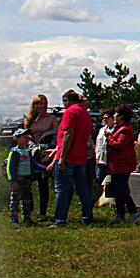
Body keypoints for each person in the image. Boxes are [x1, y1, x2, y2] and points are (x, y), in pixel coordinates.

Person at [50, 89, 95, 228]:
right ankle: (87, 217)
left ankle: (60, 220)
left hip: (68, 155)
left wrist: (62, 156)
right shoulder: (85, 113)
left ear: (67, 101)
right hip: (81, 155)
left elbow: (68, 133)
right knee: (82, 188)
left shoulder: (70, 112)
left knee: (62, 189)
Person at [23, 94, 59, 220]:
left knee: (43, 183)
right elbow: (26, 136)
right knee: (27, 181)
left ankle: (43, 213)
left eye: (42, 103)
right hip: (32, 153)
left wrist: (49, 149)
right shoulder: (29, 119)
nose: (39, 106)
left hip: (45, 153)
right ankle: (30, 209)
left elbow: (56, 135)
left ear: (46, 105)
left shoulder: (52, 119)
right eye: (37, 103)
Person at [106, 105, 140, 223]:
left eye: (116, 114)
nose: (114, 116)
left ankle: (133, 212)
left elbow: (119, 145)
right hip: (116, 165)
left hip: (123, 165)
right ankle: (120, 214)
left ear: (122, 117)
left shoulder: (125, 130)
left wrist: (109, 137)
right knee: (117, 190)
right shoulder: (118, 129)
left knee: (121, 189)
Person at [6, 130, 45, 226]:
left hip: (27, 178)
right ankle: (14, 219)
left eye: (28, 138)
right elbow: (10, 168)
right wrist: (12, 181)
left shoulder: (28, 152)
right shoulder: (14, 152)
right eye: (24, 137)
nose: (27, 140)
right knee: (15, 199)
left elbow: (33, 164)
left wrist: (45, 168)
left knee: (27, 199)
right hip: (18, 178)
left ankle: (27, 218)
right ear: (17, 139)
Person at [92, 109, 116, 205]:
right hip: (101, 161)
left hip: (113, 162)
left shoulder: (116, 129)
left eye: (107, 118)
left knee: (113, 183)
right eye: (104, 118)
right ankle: (92, 200)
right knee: (98, 182)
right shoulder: (101, 130)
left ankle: (113, 202)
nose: (105, 120)